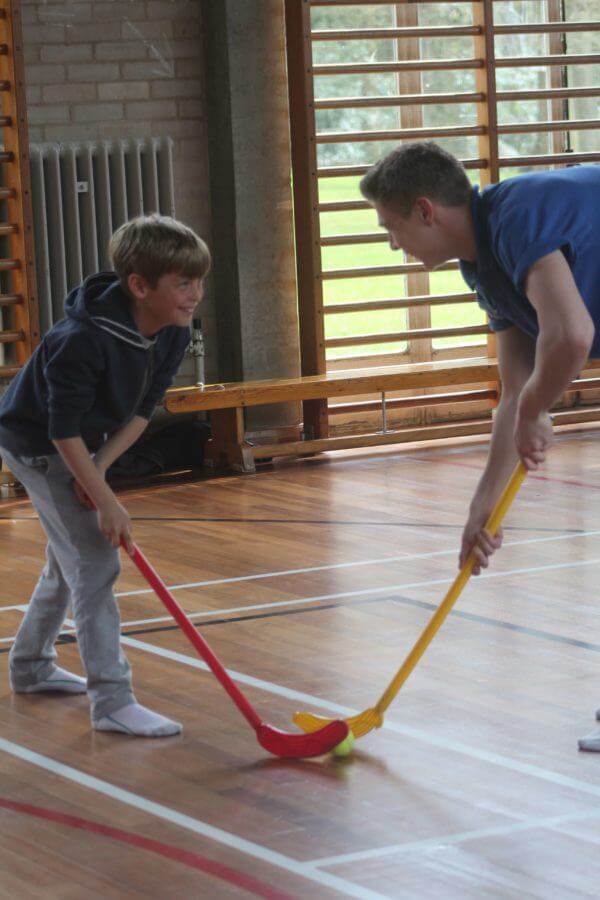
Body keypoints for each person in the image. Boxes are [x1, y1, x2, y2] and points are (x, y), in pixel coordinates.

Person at [360, 141, 600, 751]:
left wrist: (536, 409)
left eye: (392, 228)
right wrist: (481, 509)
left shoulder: (517, 215)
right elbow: (514, 390)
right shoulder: (483, 267)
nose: (395, 245)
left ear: (424, 211)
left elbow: (571, 336)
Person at [0, 214, 210, 737]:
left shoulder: (172, 332)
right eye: (183, 283)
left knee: (68, 560)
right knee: (94, 566)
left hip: (82, 446)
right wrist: (107, 501)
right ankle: (112, 701)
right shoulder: (81, 339)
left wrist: (100, 472)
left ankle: (30, 666)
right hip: (34, 445)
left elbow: (142, 411)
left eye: (198, 281)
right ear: (140, 286)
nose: (195, 295)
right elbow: (60, 432)